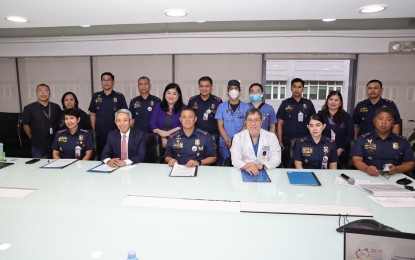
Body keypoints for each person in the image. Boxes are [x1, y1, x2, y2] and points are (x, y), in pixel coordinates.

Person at [351, 107, 414, 176]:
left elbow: (410, 163)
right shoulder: (362, 139)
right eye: (380, 119)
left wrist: (397, 169)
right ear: (374, 121)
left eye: (388, 119)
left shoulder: (402, 141)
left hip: (394, 177)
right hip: (368, 176)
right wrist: (366, 168)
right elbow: (356, 160)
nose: (383, 122)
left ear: (393, 123)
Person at [277, 78, 316, 166]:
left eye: (299, 87)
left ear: (303, 88)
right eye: (294, 87)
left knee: (305, 165)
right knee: (287, 165)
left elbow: (314, 124)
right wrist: (280, 141)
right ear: (291, 88)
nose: (296, 89)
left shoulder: (309, 104)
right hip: (287, 142)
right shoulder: (285, 104)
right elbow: (279, 123)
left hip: (305, 141)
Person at [88, 72, 128, 158]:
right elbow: (92, 114)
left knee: (116, 158)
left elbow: (125, 115)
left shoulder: (119, 96)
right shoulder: (96, 96)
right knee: (101, 157)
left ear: (113, 82)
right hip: (100, 134)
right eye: (104, 80)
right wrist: (94, 130)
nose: (106, 82)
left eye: (108, 80)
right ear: (101, 82)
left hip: (116, 134)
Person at [230, 108, 281, 175]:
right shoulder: (237, 137)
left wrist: (262, 166)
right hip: (245, 171)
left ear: (261, 122)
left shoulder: (271, 137)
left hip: (266, 171)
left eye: (256, 120)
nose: (253, 123)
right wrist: (246, 166)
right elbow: (235, 159)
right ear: (245, 122)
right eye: (250, 120)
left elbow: (276, 159)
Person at [215, 80, 251, 165]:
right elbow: (220, 126)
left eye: (236, 88)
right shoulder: (221, 106)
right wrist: (227, 141)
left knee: (241, 164)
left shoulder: (246, 107)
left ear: (239, 90)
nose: (233, 90)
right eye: (231, 88)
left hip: (241, 142)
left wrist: (235, 141)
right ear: (228, 91)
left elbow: (247, 125)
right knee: (226, 163)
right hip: (225, 142)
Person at [22, 83, 61, 158]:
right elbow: (25, 125)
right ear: (36, 93)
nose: (43, 94)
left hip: (54, 144)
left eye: (46, 91)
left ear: (49, 94)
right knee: (38, 167)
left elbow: (60, 124)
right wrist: (32, 138)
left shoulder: (56, 107)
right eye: (40, 91)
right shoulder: (29, 108)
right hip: (38, 145)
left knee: (54, 167)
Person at [317, 91, 354, 168]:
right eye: (331, 99)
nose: (333, 102)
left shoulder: (346, 117)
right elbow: (315, 133)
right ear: (327, 101)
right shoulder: (320, 115)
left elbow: (350, 135)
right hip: (321, 151)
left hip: (340, 153)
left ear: (340, 103)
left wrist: (341, 148)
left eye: (336, 100)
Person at [150, 83, 187, 148]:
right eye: (168, 93)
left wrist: (168, 133)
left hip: (179, 139)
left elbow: (186, 124)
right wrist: (160, 132)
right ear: (165, 94)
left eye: (174, 94)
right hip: (160, 138)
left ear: (179, 95)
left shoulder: (184, 108)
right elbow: (152, 123)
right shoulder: (158, 106)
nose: (171, 96)